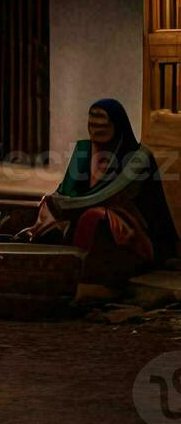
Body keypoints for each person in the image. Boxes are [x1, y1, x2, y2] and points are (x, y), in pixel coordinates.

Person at [16, 100, 178, 285]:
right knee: (37, 213)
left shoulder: (138, 157)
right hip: (76, 212)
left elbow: (110, 195)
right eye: (92, 124)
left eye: (102, 125)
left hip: (129, 223)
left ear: (117, 125)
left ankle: (82, 278)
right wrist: (53, 202)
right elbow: (66, 191)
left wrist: (67, 204)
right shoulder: (84, 151)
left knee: (94, 217)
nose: (95, 130)